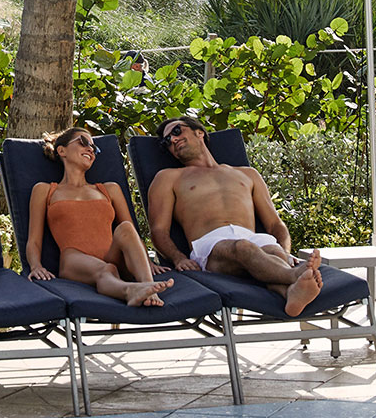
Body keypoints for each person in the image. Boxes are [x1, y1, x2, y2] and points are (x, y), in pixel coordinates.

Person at [145, 115, 322, 317]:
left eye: (177, 131)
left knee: (273, 250)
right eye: (167, 142)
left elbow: (275, 224)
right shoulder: (168, 178)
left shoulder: (248, 174)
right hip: (210, 245)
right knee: (243, 248)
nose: (173, 140)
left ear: (199, 132)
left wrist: (286, 251)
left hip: (254, 240)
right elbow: (158, 230)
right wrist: (178, 258)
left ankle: (291, 292)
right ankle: (295, 276)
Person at [25, 126, 173, 308]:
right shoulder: (45, 190)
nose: (90, 149)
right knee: (106, 269)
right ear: (61, 150)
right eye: (83, 142)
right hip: (74, 259)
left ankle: (149, 287)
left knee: (125, 228)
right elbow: (34, 240)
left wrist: (146, 261)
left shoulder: (109, 189)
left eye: (94, 148)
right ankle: (131, 291)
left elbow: (131, 232)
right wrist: (35, 266)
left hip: (113, 256)